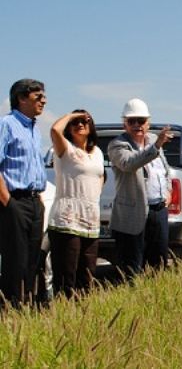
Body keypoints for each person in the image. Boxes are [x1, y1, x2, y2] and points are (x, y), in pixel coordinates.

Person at [107, 98, 173, 277]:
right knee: (131, 268)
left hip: (158, 210)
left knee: (158, 265)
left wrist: (168, 191)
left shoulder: (153, 141)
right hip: (132, 214)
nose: (137, 125)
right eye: (132, 121)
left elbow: (164, 171)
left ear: (148, 123)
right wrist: (156, 146)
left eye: (141, 120)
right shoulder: (117, 145)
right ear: (125, 124)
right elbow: (129, 163)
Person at [0, 79, 48, 307]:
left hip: (34, 201)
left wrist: (39, 199)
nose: (44, 101)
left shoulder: (35, 130)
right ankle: (11, 309)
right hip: (14, 201)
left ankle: (27, 307)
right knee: (15, 260)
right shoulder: (7, 124)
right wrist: (8, 202)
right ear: (21, 98)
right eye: (38, 96)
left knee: (32, 259)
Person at [48, 110, 104, 298]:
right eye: (75, 122)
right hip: (67, 221)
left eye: (84, 121)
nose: (80, 124)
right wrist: (72, 115)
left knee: (87, 277)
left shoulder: (97, 152)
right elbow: (55, 130)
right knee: (66, 277)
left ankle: (82, 313)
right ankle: (63, 311)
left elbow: (100, 176)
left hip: (91, 223)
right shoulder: (65, 149)